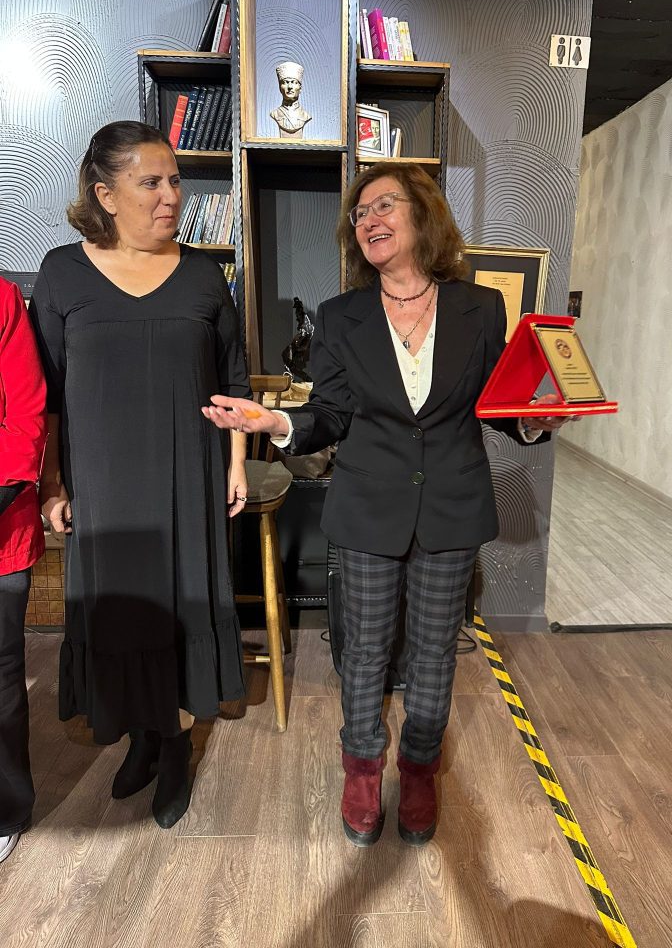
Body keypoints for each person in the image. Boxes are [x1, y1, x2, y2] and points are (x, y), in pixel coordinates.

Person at [203, 162, 572, 846]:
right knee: (364, 651)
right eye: (359, 214)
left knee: (434, 653)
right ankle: (363, 769)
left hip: (452, 508)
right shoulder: (341, 316)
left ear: (422, 215)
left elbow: (497, 407)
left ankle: (421, 769)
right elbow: (331, 414)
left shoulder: (480, 308)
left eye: (383, 206)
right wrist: (276, 424)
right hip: (368, 509)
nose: (368, 220)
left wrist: (533, 421)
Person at [29, 121, 250, 829]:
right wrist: (53, 485)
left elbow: (234, 379)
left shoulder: (204, 275)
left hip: (188, 476)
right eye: (150, 182)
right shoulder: (62, 273)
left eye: (174, 180)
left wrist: (236, 464)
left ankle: (175, 744)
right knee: (121, 613)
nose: (170, 195)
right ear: (106, 194)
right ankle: (143, 737)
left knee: (182, 605)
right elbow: (45, 396)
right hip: (104, 483)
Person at [0, 277, 47, 864]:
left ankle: (6, 808)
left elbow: (28, 410)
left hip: (1, 529)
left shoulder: (3, 300)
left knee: (0, 679)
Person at [269, 61, 312, 138]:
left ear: (300, 88)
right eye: (285, 82)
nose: (289, 87)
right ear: (280, 88)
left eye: (294, 82)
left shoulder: (305, 115)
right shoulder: (275, 114)